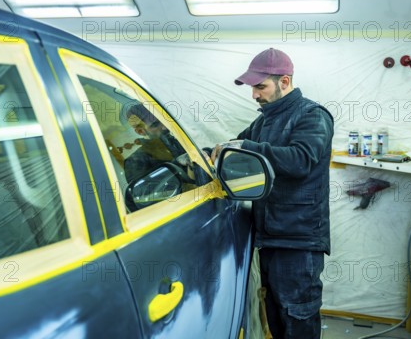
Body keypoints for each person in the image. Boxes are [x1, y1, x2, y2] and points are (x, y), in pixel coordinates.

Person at [213, 48, 334, 339]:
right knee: (277, 316)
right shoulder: (264, 121)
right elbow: (235, 147)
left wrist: (246, 148)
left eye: (260, 86)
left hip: (298, 241)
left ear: (285, 81)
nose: (254, 94)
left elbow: (300, 160)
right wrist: (206, 155)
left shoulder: (312, 115)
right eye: (253, 87)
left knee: (297, 316)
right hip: (270, 236)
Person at [123, 103, 186, 183]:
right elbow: (143, 192)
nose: (164, 127)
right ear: (140, 131)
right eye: (155, 125)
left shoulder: (177, 142)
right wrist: (176, 164)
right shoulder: (135, 161)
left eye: (163, 120)